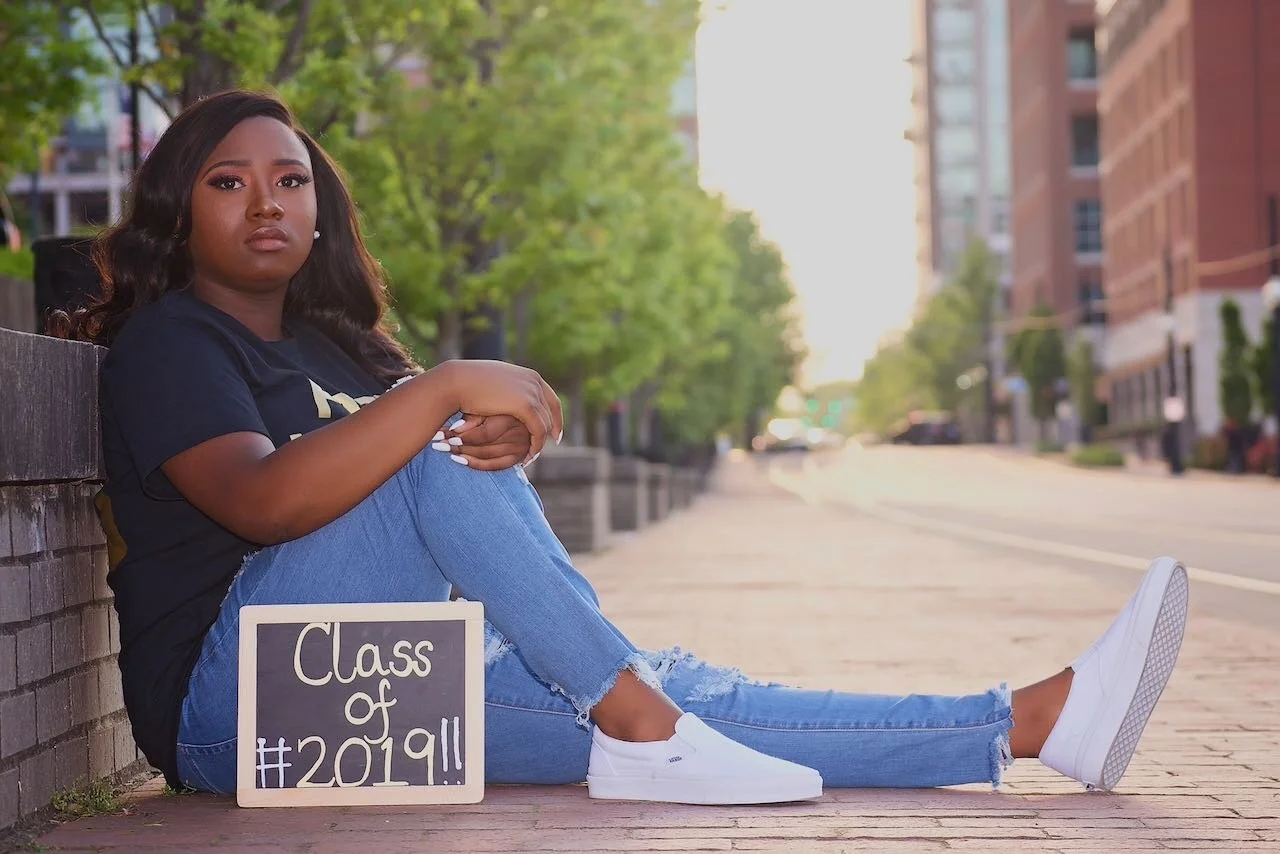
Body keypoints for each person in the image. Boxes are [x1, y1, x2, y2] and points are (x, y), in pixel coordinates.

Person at [56, 89, 1190, 806]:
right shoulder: (171, 341)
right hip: (231, 711)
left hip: (361, 687)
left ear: (319, 210)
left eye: (289, 179)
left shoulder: (340, 350)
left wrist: (489, 426)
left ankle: (1028, 720)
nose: (265, 201)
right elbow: (262, 503)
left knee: (684, 697)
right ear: (180, 208)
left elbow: (440, 495)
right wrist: (447, 393)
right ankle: (633, 712)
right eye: (228, 181)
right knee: (455, 483)